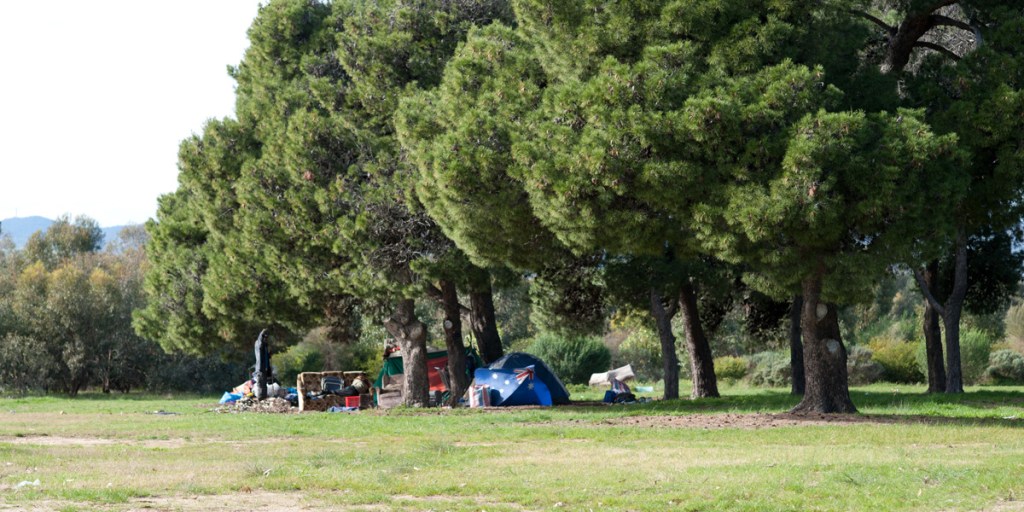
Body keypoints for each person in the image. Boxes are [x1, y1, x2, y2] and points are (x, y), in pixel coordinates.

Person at [253, 329, 271, 400]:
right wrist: (262, 333)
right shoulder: (258, 343)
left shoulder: (264, 347)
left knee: (264, 385)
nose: (266, 339)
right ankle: (260, 398)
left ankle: (264, 398)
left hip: (265, 369)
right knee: (260, 385)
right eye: (265, 338)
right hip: (260, 369)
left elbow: (264, 356)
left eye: (267, 338)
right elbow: (260, 342)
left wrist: (269, 355)